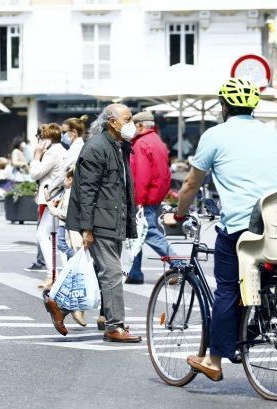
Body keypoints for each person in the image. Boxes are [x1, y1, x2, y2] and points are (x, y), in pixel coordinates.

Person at [164, 78, 277, 381]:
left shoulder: (215, 135)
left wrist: (179, 213)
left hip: (242, 225)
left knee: (227, 287)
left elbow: (190, 183)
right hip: (275, 225)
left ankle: (214, 361)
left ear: (224, 106)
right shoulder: (272, 134)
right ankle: (254, 327)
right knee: (261, 277)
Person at [54, 103, 140, 342]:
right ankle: (115, 326)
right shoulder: (97, 147)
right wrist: (87, 227)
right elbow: (86, 191)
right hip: (101, 220)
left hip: (114, 219)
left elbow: (120, 187)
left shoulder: (119, 145)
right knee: (112, 273)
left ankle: (59, 306)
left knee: (102, 270)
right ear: (112, 122)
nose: (131, 124)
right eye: (128, 119)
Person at [126, 110, 176, 284]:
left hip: (145, 197)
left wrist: (137, 201)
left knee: (148, 232)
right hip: (155, 195)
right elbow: (165, 172)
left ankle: (179, 264)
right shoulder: (158, 141)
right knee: (136, 232)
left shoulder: (141, 143)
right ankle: (134, 272)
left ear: (139, 126)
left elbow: (141, 175)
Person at [46, 168, 86, 327]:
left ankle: (63, 308)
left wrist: (52, 209)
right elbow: (68, 213)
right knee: (82, 275)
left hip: (76, 233)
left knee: (81, 274)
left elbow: (66, 213)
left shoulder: (71, 192)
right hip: (78, 234)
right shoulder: (74, 192)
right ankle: (68, 308)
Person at [28, 123, 66, 289]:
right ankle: (58, 274)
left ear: (47, 139)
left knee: (43, 235)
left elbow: (35, 173)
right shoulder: (62, 150)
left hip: (51, 199)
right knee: (58, 237)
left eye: (41, 138)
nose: (39, 141)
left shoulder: (52, 153)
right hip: (58, 198)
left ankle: (53, 275)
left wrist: (36, 156)